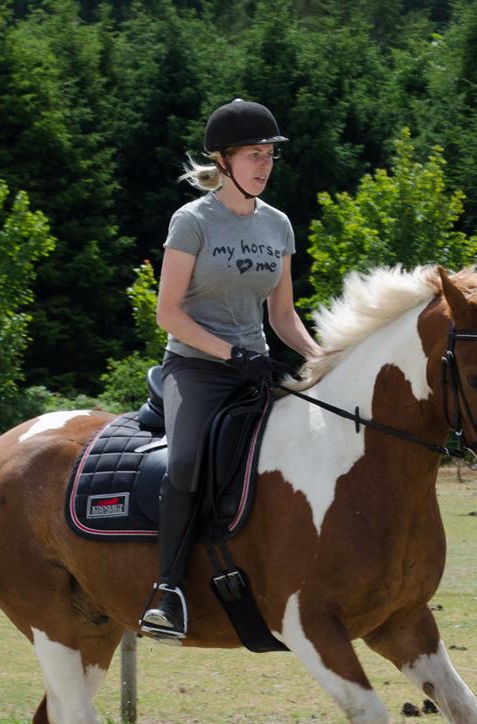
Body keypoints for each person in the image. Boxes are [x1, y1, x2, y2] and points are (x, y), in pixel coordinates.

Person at [139, 98, 322, 640]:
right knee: (189, 460)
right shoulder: (192, 221)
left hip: (256, 370)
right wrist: (228, 352)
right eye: (253, 155)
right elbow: (166, 312)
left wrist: (321, 359)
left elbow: (282, 315)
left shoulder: (278, 224)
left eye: (269, 156)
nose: (264, 166)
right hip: (195, 369)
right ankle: (167, 590)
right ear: (222, 161)